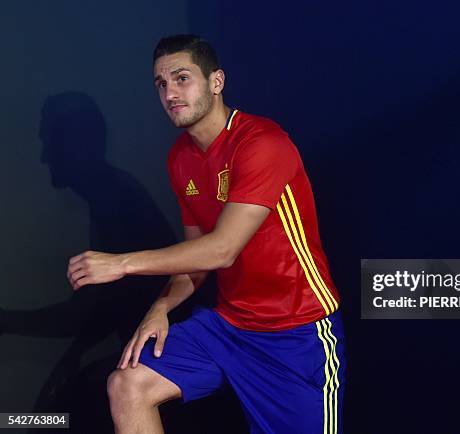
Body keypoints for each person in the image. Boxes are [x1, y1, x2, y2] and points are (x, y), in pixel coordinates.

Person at [66, 34, 345, 434]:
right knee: (128, 385)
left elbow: (222, 250)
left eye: (182, 78)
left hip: (296, 333)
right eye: (161, 84)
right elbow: (195, 259)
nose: (170, 93)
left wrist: (122, 263)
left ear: (217, 82)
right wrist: (161, 307)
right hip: (230, 327)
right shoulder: (180, 158)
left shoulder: (262, 142)